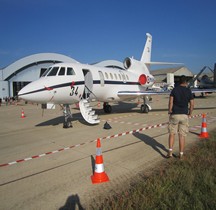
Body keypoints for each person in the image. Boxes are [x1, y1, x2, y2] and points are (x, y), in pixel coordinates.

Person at [167, 75, 194, 159]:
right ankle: (181, 154)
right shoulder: (188, 91)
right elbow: (192, 104)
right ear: (186, 82)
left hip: (175, 114)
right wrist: (190, 113)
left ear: (179, 82)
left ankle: (170, 152)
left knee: (172, 133)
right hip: (184, 115)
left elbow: (171, 102)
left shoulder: (174, 90)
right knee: (182, 135)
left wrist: (170, 110)